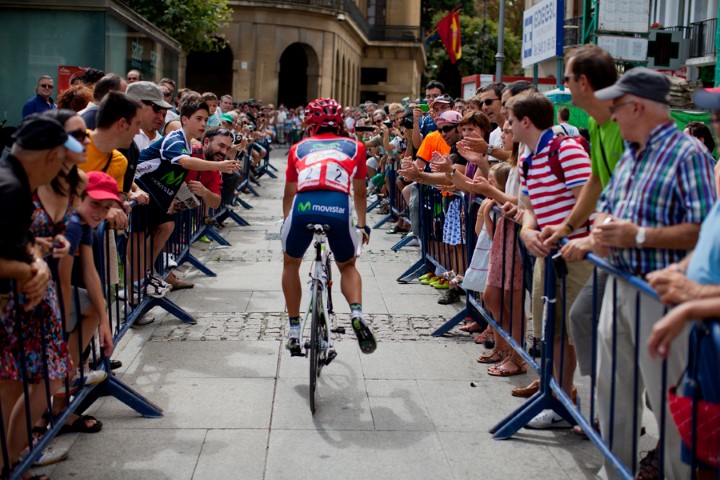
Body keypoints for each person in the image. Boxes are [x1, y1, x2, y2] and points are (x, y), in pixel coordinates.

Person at [588, 67, 716, 479]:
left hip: (659, 295)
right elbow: (606, 203)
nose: (612, 115)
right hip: (621, 284)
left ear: (637, 106)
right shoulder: (631, 153)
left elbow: (701, 229)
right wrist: (601, 226)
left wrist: (638, 235)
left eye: (617, 107)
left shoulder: (688, 154)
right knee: (612, 397)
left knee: (668, 406)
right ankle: (615, 473)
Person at [0, 114, 83, 478]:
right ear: (51, 157)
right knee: (7, 389)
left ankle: (8, 461)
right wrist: (30, 270)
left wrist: (36, 254)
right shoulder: (12, 189)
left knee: (11, 386)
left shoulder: (10, 177)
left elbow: (16, 242)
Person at [508, 92, 594, 428]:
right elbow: (529, 209)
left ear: (525, 121)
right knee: (555, 333)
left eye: (511, 120)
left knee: (582, 334)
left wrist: (565, 232)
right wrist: (528, 233)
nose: (508, 126)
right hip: (549, 254)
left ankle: (600, 415)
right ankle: (562, 399)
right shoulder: (526, 159)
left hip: (579, 256)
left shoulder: (567, 150)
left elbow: (588, 201)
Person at [539, 45, 625, 382]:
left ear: (585, 82)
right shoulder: (595, 120)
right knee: (583, 317)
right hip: (613, 247)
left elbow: (624, 192)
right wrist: (567, 227)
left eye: (568, 78)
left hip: (636, 251)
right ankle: (603, 403)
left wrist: (589, 236)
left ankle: (617, 408)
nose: (564, 84)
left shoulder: (624, 124)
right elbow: (596, 181)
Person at [281, 97, 376, 355]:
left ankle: (293, 329)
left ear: (310, 123)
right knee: (347, 266)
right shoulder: (355, 147)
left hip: (303, 207)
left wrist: (286, 221)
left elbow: (289, 194)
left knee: (291, 263)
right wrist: (363, 226)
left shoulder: (298, 148)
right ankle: (356, 312)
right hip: (338, 207)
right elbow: (360, 193)